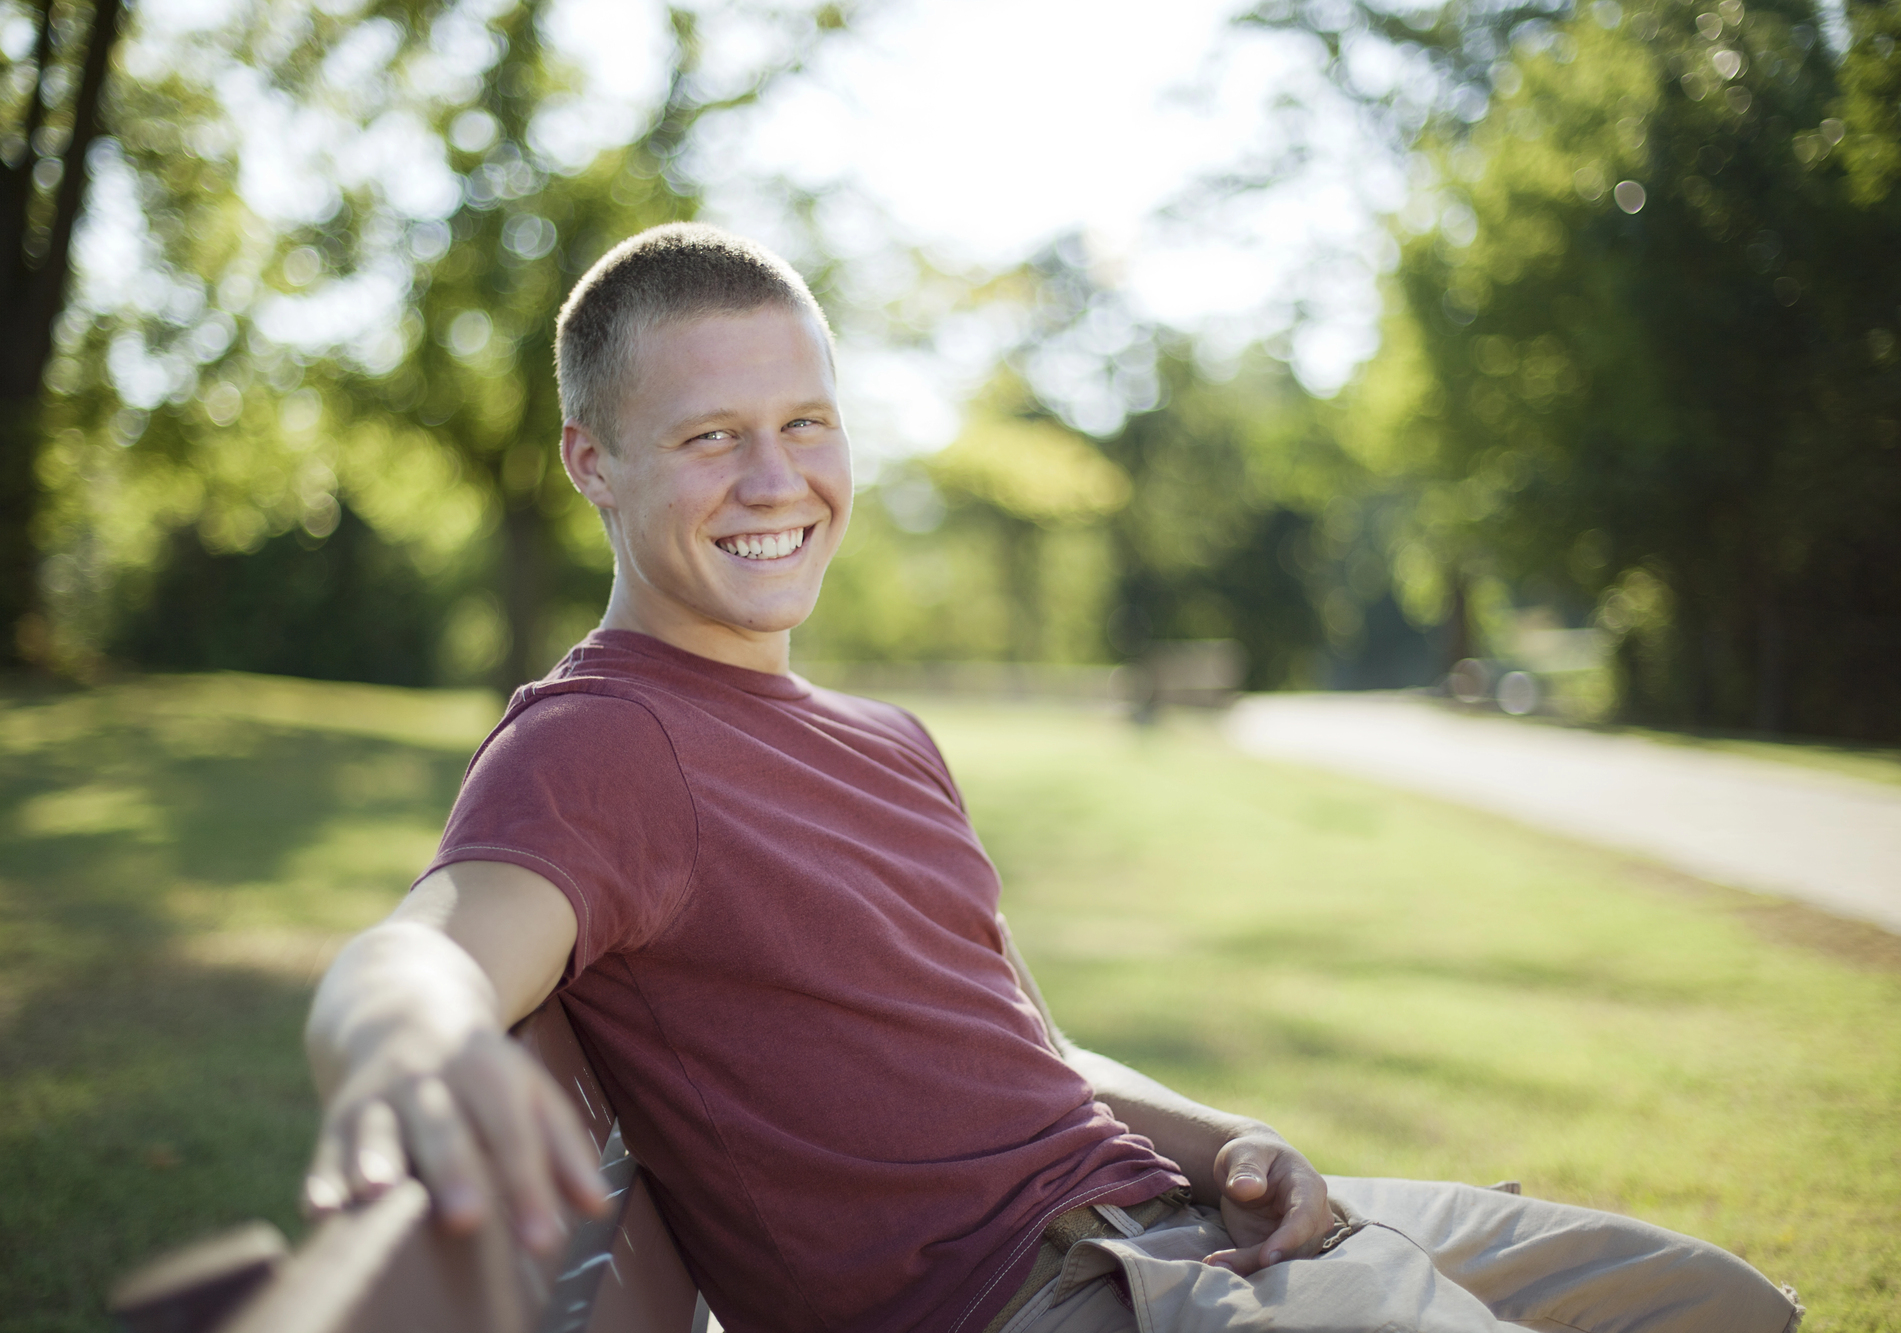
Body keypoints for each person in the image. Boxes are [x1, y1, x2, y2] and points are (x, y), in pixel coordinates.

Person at [302, 223, 1801, 1333]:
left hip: (1182, 1219)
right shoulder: (601, 740)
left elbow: (1035, 1046)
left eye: (804, 423)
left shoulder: (892, 743)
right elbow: (421, 956)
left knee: (1716, 1305)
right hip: (1048, 1299)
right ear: (591, 462)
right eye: (710, 438)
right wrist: (400, 1053)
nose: (777, 481)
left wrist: (1227, 1139)